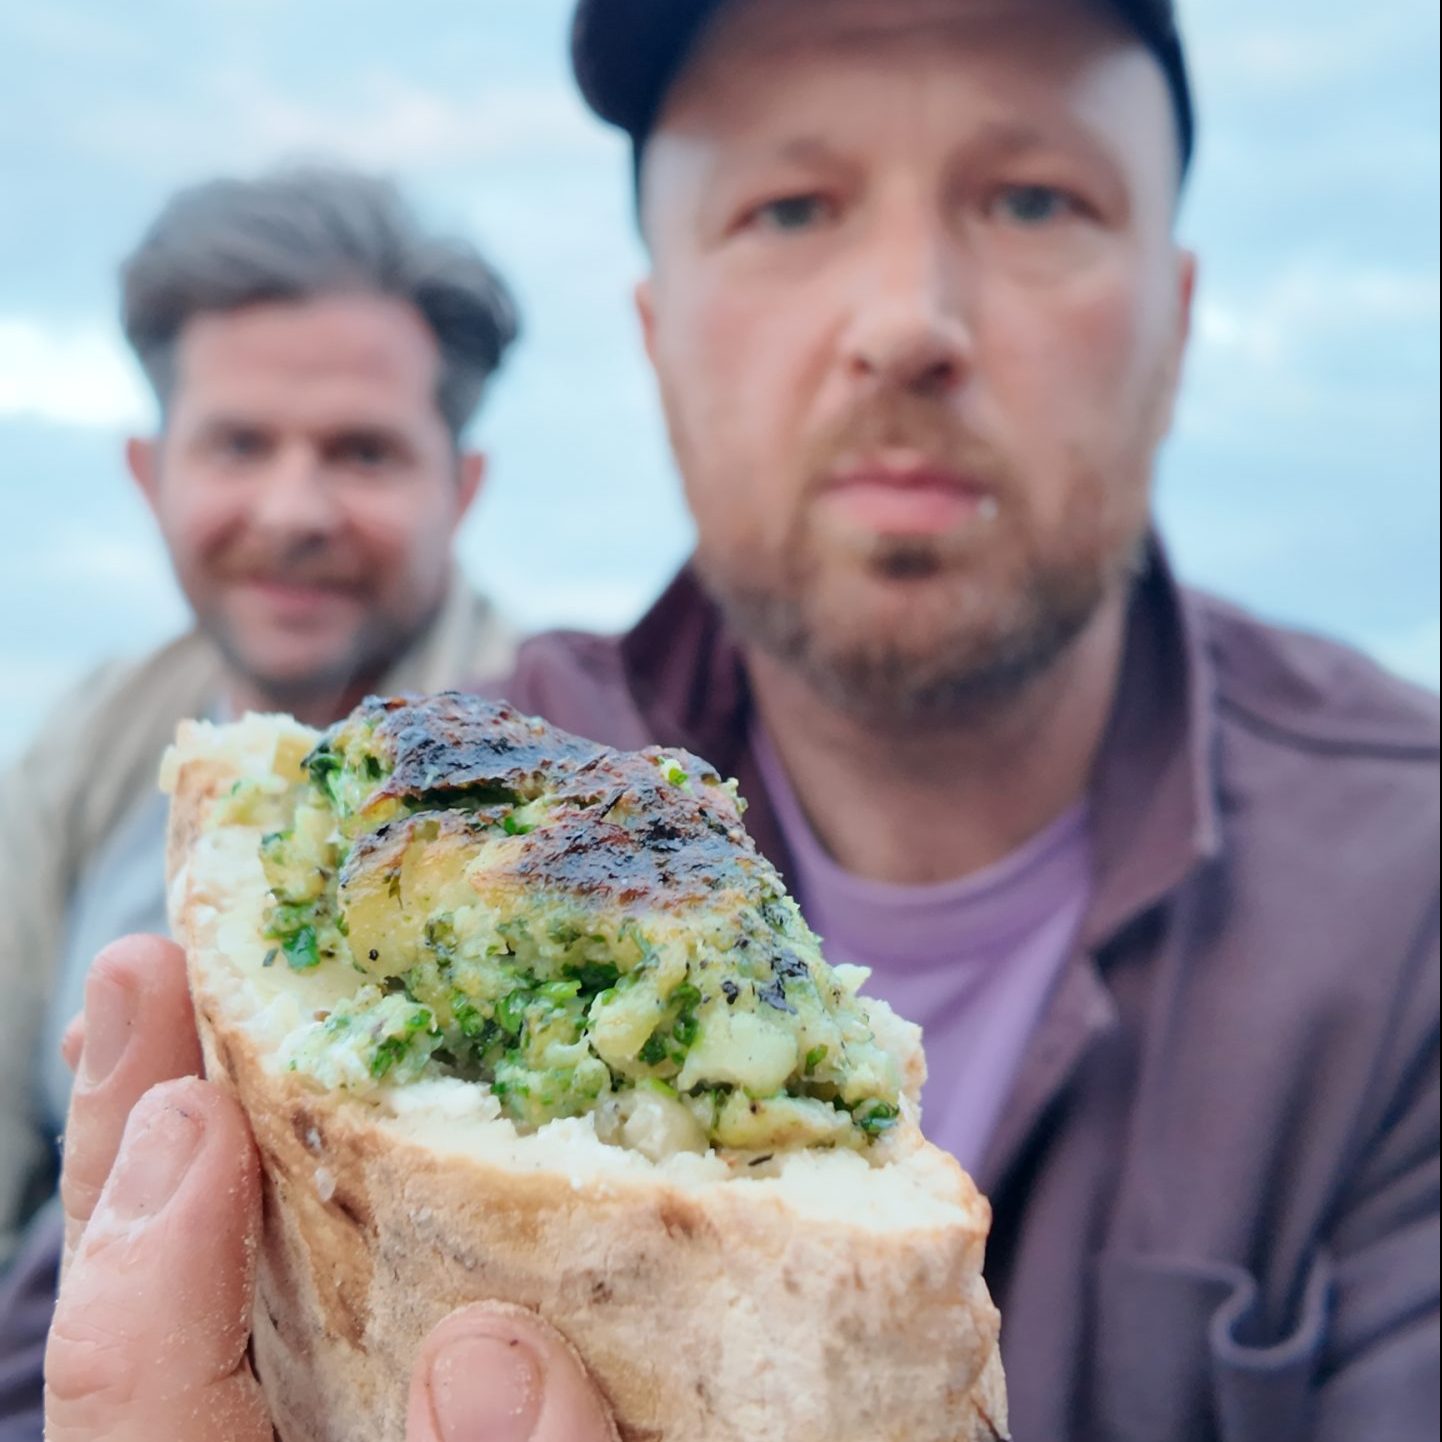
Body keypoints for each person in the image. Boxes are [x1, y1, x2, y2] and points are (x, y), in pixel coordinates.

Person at [5, 0, 1439, 1438]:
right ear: (657, 331)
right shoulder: (420, 823)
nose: (903, 322)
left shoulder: (1407, 891)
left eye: (1031, 197)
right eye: (788, 206)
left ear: (1178, 317)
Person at [0, 165, 522, 1259]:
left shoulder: (548, 759)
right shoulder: (90, 743)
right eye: (238, 445)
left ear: (459, 489)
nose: (292, 510)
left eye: (361, 451)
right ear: (149, 474)